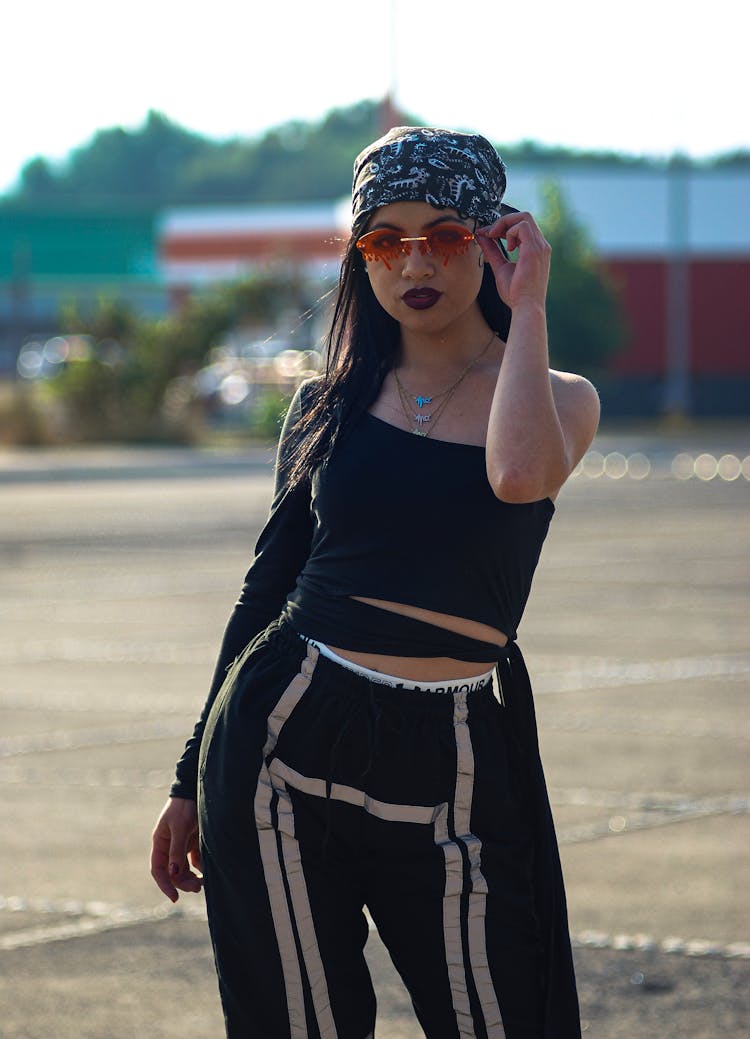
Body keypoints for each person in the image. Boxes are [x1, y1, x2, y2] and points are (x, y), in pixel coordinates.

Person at [150, 125, 600, 1039]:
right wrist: (189, 773)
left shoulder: (561, 395)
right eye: (384, 240)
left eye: (442, 233)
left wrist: (532, 304)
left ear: (494, 238)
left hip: (462, 753)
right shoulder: (328, 401)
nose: (412, 261)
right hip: (287, 731)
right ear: (362, 258)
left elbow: (519, 479)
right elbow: (264, 587)